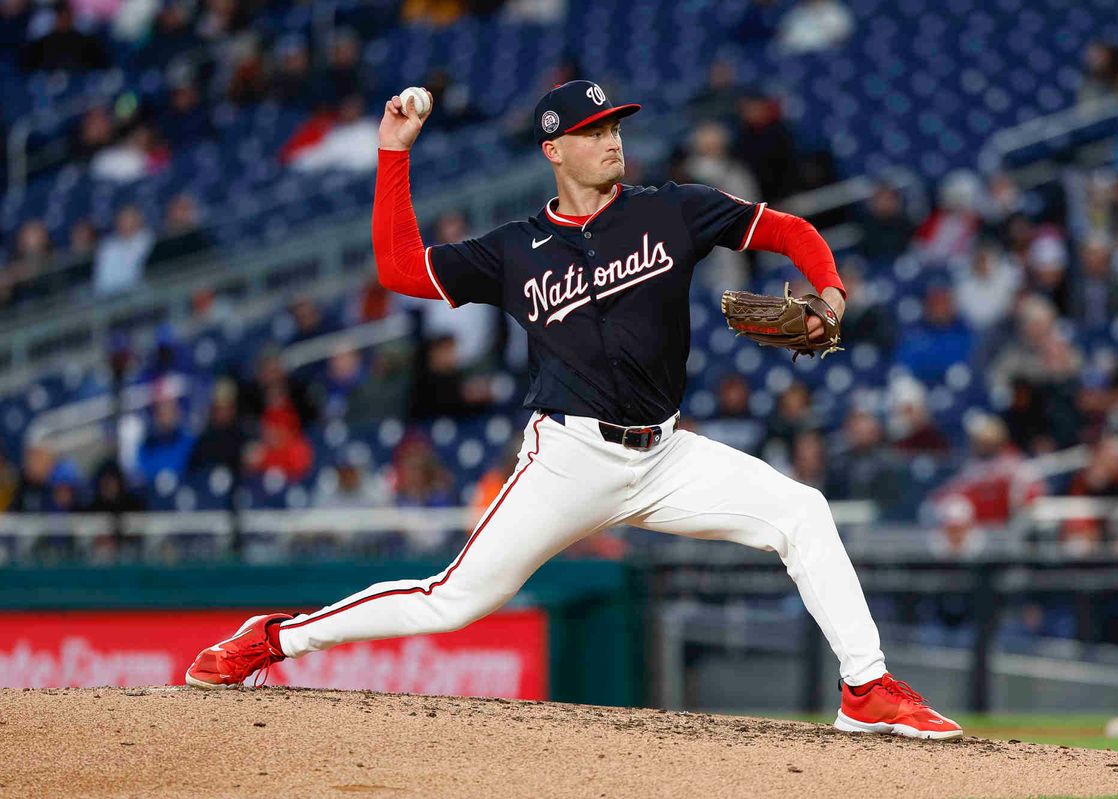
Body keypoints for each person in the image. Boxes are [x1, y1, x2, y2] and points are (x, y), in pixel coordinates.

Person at [186, 79, 962, 739]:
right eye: (593, 131)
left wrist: (829, 291)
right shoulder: (515, 249)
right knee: (453, 599)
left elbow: (784, 228)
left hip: (665, 454)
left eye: (614, 126)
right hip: (568, 457)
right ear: (554, 149)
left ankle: (866, 690)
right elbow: (398, 267)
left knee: (803, 511)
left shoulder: (672, 210)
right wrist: (394, 153)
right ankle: (272, 639)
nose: (611, 139)